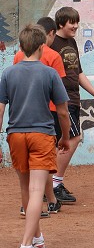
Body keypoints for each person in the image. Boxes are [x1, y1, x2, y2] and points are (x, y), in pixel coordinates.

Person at [0, 24, 71, 248]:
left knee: (25, 188)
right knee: (36, 191)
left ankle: (37, 238)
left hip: (16, 135)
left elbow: (0, 109)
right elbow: (62, 112)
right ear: (42, 47)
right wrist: (65, 137)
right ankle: (26, 246)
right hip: (41, 136)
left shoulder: (8, 73)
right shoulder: (49, 73)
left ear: (21, 47)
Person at [50, 7, 94, 203]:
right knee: (73, 138)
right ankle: (54, 184)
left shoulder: (72, 42)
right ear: (60, 24)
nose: (75, 26)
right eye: (71, 22)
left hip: (74, 99)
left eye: (77, 22)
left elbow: (79, 73)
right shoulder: (52, 43)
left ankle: (49, 184)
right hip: (61, 101)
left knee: (63, 141)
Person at [13, 17, 65, 217]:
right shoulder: (53, 58)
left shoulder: (15, 61)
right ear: (45, 40)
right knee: (40, 165)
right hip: (46, 114)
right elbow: (59, 96)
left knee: (28, 173)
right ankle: (48, 201)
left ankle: (41, 203)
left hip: (19, 119)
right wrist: (65, 135)